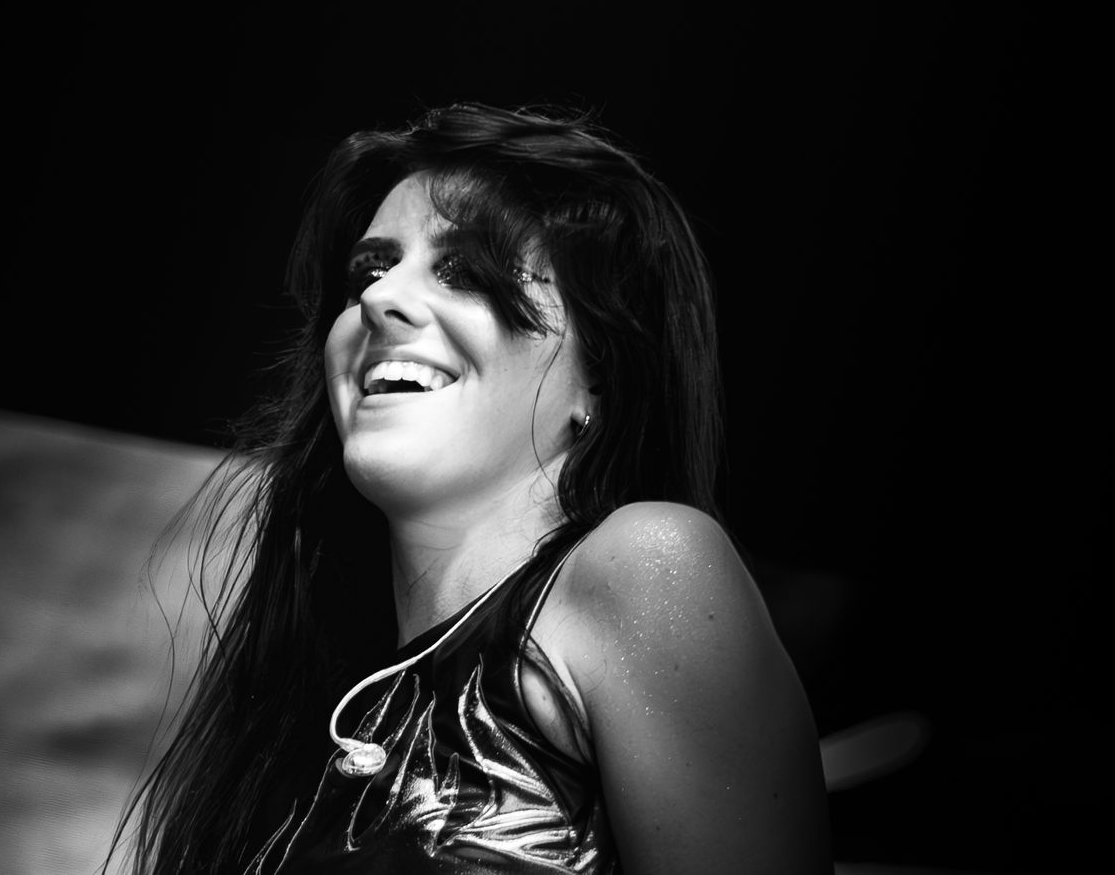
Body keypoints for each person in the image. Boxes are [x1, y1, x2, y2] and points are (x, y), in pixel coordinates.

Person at [114, 103, 830, 873]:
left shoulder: (649, 563)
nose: (378, 299)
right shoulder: (302, 713)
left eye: (465, 271)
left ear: (600, 375)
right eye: (368, 272)